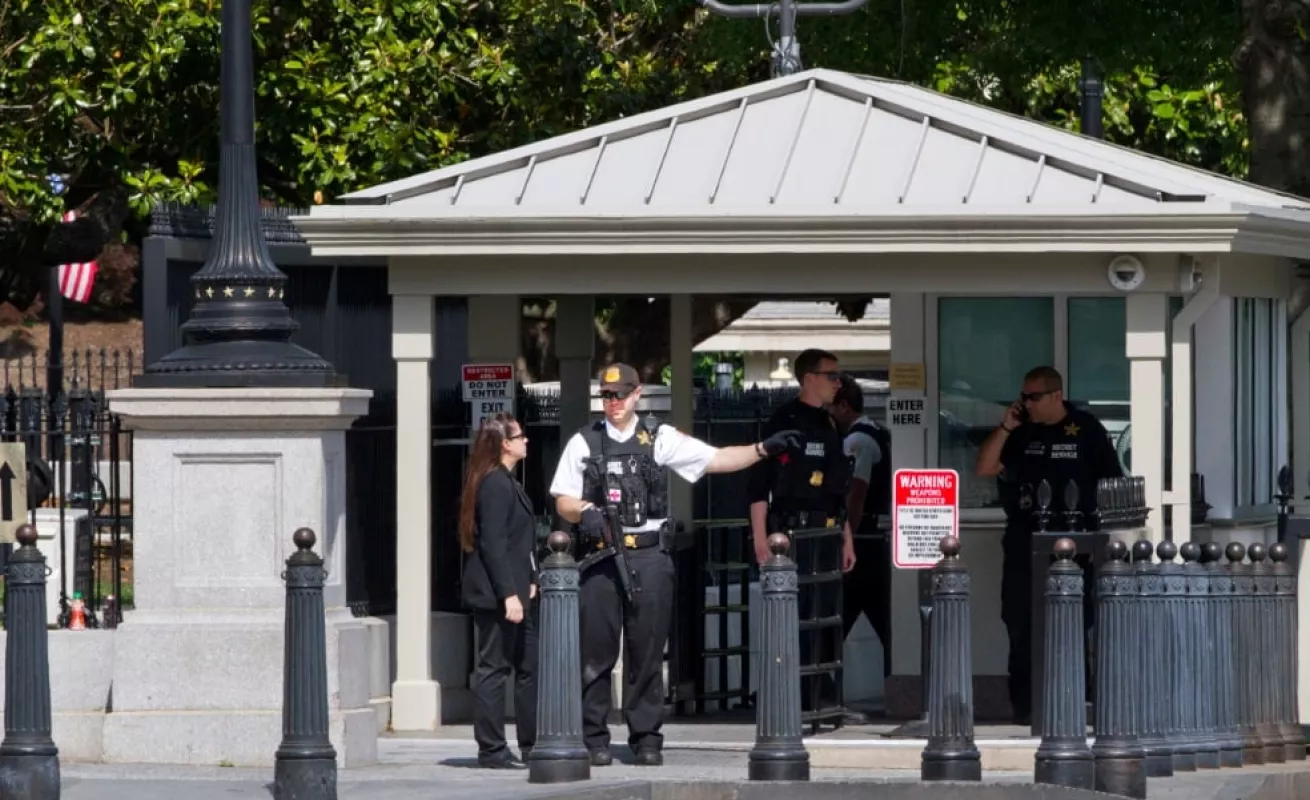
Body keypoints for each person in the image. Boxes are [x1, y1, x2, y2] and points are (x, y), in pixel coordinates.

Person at [550, 362, 801, 767]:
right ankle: (593, 737)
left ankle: (646, 737)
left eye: (621, 394)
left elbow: (715, 459)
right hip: (601, 555)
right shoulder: (585, 441)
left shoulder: (658, 436)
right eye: (607, 395)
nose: (613, 402)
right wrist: (584, 511)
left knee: (647, 652)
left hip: (650, 555)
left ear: (637, 393)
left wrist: (762, 449)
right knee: (595, 654)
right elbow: (562, 497)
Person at [974, 365, 1123, 725]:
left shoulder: (1086, 429)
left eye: (1034, 397)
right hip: (1025, 542)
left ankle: (1074, 705)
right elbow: (985, 467)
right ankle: (1026, 709)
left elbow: (1113, 485)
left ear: (1056, 395)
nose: (1027, 403)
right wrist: (1007, 426)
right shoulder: (1022, 431)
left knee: (1073, 624)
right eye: (1023, 397)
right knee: (1020, 623)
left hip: (1075, 545)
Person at [746, 348, 857, 725]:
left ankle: (823, 698)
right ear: (809, 378)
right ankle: (795, 700)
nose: (838, 384)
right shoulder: (784, 421)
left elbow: (837, 489)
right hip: (792, 531)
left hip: (826, 530)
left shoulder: (829, 422)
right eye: (832, 376)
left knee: (825, 616)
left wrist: (846, 537)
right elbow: (758, 485)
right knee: (797, 617)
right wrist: (760, 537)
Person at [459, 413, 540, 769]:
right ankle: (491, 748)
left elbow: (520, 541)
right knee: (494, 668)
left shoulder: (509, 482)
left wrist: (532, 578)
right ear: (506, 444)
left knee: (528, 666)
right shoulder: (495, 483)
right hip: (499, 596)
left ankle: (531, 743)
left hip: (519, 590)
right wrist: (509, 594)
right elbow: (493, 544)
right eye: (521, 436)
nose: (526, 441)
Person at [829, 374, 892, 689]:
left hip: (864, 540)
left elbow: (856, 494)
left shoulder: (858, 440)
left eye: (831, 407)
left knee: (840, 612)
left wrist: (847, 537)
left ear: (844, 406)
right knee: (877, 615)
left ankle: (818, 682)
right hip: (874, 539)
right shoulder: (877, 432)